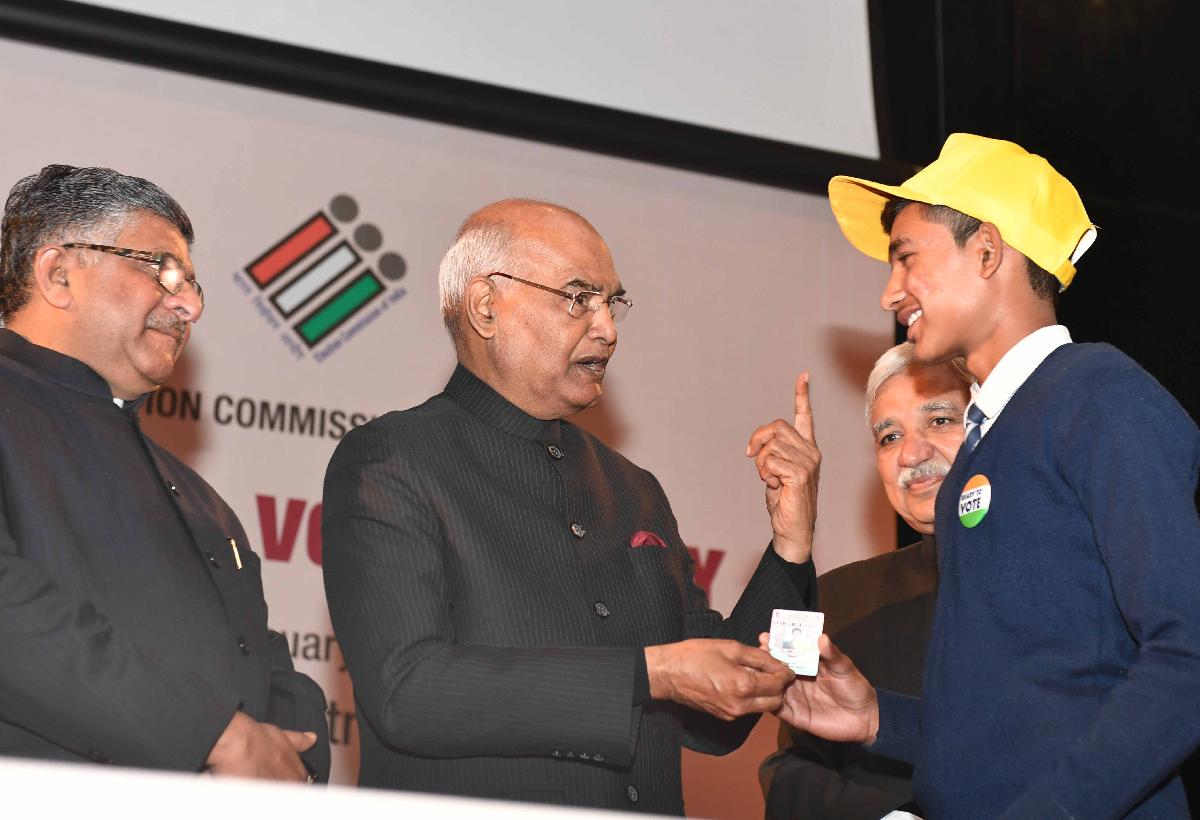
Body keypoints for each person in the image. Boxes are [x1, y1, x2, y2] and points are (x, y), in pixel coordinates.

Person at [772, 133, 1200, 818]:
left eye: (906, 258)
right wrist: (879, 719)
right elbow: (1023, 717)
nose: (889, 293)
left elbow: (1198, 652)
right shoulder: (983, 449)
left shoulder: (1099, 397)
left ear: (987, 250)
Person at [321, 198, 818, 813]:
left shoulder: (633, 489)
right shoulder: (393, 459)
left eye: (613, 302)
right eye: (578, 298)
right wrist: (647, 675)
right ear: (485, 307)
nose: (608, 328)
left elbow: (726, 718)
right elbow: (407, 693)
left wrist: (792, 550)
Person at [0, 164, 329, 782]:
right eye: (161, 270)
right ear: (58, 274)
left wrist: (297, 758)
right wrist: (211, 735)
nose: (190, 305)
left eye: (193, 285)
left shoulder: (201, 499)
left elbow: (262, 658)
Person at [761, 342, 969, 820]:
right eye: (889, 437)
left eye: (940, 420)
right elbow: (790, 770)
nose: (911, 453)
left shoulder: (1070, 578)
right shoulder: (835, 598)